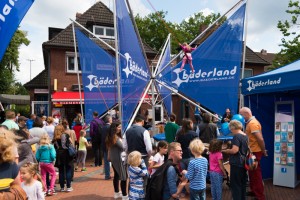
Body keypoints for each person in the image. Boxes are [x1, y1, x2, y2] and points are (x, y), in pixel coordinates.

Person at [239, 107, 267, 200]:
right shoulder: (251, 123)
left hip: (255, 152)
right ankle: (255, 191)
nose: (241, 117)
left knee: (256, 174)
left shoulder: (253, 123)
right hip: (252, 151)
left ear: (246, 114)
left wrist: (263, 150)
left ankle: (259, 196)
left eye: (241, 115)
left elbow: (260, 139)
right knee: (252, 173)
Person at [222, 120, 248, 200]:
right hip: (243, 162)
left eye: (230, 129)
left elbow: (235, 150)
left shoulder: (237, 136)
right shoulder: (245, 135)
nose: (230, 130)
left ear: (233, 127)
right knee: (242, 184)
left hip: (237, 163)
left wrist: (225, 151)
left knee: (235, 185)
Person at [105, 121, 128, 200]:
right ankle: (124, 196)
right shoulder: (115, 138)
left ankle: (117, 192)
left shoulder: (111, 136)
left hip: (114, 158)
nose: (120, 128)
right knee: (123, 177)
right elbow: (123, 147)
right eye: (118, 127)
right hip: (119, 159)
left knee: (117, 176)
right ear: (114, 128)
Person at [52, 124, 74, 192]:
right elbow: (71, 143)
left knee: (61, 171)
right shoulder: (65, 135)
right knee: (68, 169)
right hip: (66, 153)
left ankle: (62, 187)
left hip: (59, 154)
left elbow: (55, 147)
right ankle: (68, 186)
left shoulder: (55, 138)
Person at [101, 115, 112, 179]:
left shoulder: (103, 127)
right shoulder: (110, 127)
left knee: (106, 161)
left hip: (104, 146)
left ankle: (107, 175)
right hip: (109, 146)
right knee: (112, 160)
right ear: (109, 120)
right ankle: (108, 175)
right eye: (111, 119)